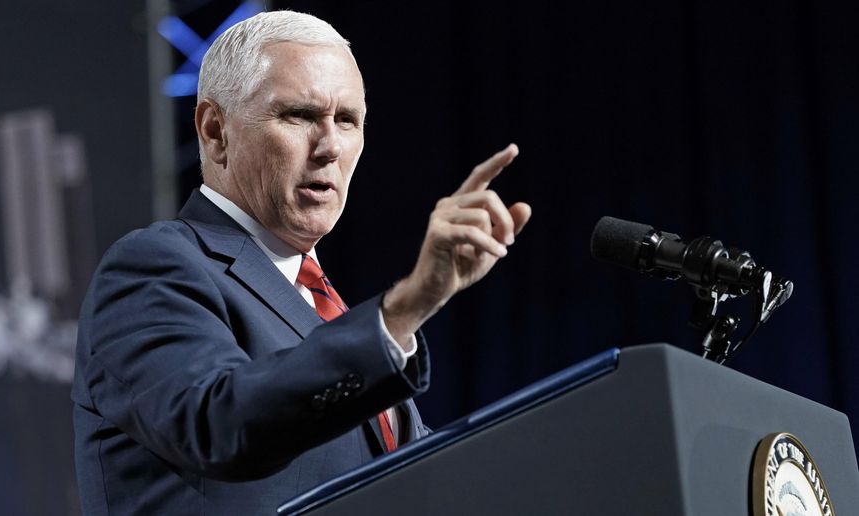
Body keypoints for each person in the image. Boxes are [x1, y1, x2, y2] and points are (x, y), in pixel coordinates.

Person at [72, 10, 530, 515]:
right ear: (215, 131)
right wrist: (407, 308)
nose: (330, 146)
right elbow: (221, 423)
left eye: (347, 121)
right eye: (299, 115)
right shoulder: (152, 268)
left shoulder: (319, 304)